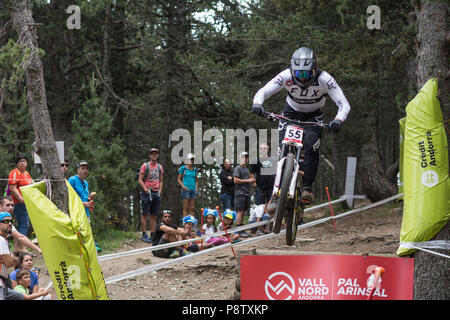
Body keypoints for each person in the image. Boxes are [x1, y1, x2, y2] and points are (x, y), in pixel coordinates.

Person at [252, 47, 350, 204]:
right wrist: (257, 103)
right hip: (290, 114)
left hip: (313, 117)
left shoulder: (325, 79)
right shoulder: (285, 76)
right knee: (281, 150)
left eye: (306, 74)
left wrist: (338, 119)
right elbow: (263, 91)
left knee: (312, 146)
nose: (302, 78)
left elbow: (343, 103)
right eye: (298, 73)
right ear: (292, 71)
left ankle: (307, 188)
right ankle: (275, 196)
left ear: (314, 70)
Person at [138, 148, 164, 243]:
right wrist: (145, 188)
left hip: (156, 192)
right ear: (149, 155)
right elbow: (140, 179)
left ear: (157, 155)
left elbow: (161, 180)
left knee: (154, 215)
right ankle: (144, 234)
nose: (154, 155)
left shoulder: (159, 167)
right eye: (152, 154)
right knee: (145, 213)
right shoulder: (145, 166)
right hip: (147, 192)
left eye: (156, 154)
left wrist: (160, 190)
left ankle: (153, 234)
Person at [8, 155, 34, 240]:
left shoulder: (26, 173)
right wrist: (21, 200)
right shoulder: (15, 172)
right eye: (20, 161)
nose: (23, 163)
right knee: (24, 224)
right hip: (19, 203)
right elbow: (12, 188)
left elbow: (32, 184)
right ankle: (21, 247)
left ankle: (18, 247)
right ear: (17, 164)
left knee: (23, 224)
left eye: (24, 161)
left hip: (27, 202)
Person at [0, 211, 23, 300]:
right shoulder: (1, 240)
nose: (9, 223)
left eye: (11, 221)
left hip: (3, 282)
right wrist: (14, 257)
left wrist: (10, 257)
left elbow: (8, 261)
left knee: (20, 297)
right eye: (5, 221)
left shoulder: (4, 240)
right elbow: (9, 263)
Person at [233, 152, 255, 238]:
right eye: (243, 157)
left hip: (246, 193)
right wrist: (248, 181)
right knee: (240, 211)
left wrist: (251, 181)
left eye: (246, 157)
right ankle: (238, 230)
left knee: (244, 212)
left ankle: (242, 229)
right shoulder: (238, 168)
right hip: (240, 193)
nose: (245, 159)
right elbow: (235, 180)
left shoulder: (246, 169)